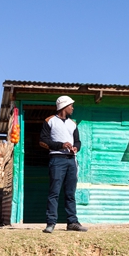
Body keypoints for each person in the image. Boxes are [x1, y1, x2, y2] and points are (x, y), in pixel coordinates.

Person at [40, 95, 87, 233]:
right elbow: (43, 141)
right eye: (71, 105)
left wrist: (75, 147)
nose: (72, 108)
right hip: (57, 160)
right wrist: (61, 145)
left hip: (71, 160)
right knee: (54, 192)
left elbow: (77, 141)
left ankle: (72, 222)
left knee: (70, 193)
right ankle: (51, 223)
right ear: (64, 107)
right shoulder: (49, 121)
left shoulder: (73, 124)